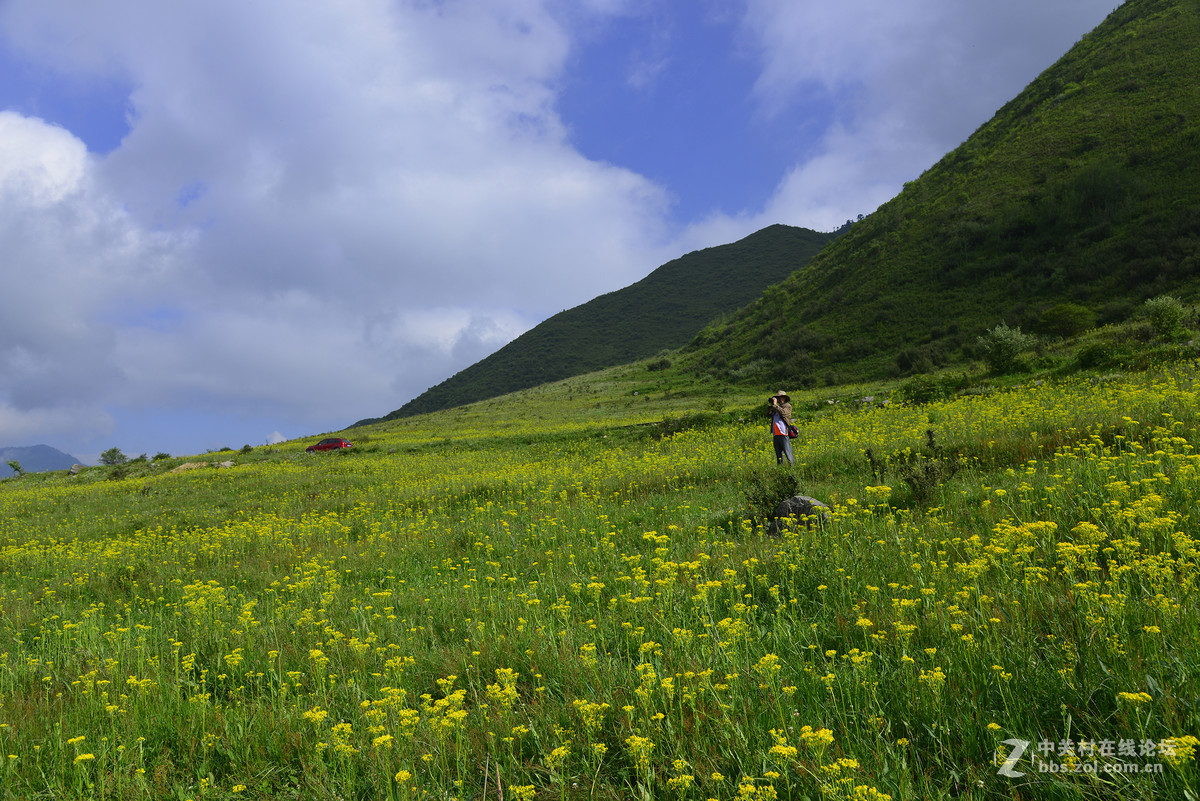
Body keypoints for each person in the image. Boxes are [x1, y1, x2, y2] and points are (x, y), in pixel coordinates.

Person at [767, 390, 794, 465]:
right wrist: (771, 406)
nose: (779, 399)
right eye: (777, 398)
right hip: (776, 433)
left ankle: (792, 467)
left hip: (783, 432)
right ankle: (780, 468)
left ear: (784, 398)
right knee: (778, 454)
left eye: (780, 397)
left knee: (787, 451)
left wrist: (775, 405)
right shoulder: (775, 407)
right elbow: (768, 414)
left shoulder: (787, 406)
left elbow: (783, 413)